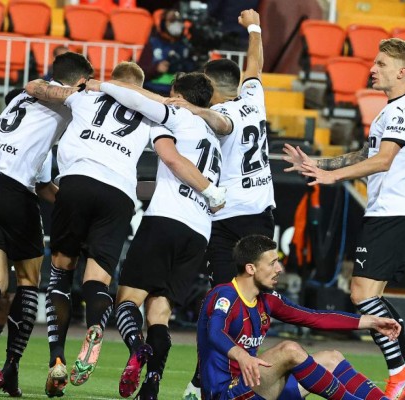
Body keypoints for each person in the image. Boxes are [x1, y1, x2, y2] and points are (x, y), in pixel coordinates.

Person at [24, 62, 225, 398]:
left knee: (69, 272)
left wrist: (85, 87)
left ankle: (58, 357)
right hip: (170, 216)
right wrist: (211, 192)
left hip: (90, 186)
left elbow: (38, 89)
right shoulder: (208, 137)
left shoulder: (115, 104)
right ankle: (143, 372)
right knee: (141, 300)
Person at [282, 38, 405, 400]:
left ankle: (401, 368)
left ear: (402, 71)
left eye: (381, 64)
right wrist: (321, 164)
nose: (372, 69)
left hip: (391, 214)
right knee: (371, 296)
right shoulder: (391, 110)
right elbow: (368, 153)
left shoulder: (403, 110)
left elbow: (383, 161)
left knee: (362, 294)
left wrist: (333, 177)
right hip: (389, 213)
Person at [84, 72, 226, 399]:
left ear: (178, 95)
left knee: (127, 300)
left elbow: (170, 156)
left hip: (165, 220)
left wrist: (101, 84)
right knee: (159, 313)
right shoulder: (213, 140)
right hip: (199, 232)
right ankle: (152, 384)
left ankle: (137, 347)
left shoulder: (178, 117)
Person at [0, 52, 92, 396]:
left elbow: (46, 186)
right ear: (80, 81)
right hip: (10, 187)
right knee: (28, 279)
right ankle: (12, 366)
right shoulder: (68, 98)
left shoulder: (27, 96)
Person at [166, 10, 275, 399]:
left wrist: (185, 107)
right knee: (251, 303)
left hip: (229, 215)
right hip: (263, 212)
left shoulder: (222, 111)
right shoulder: (254, 96)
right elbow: (256, 65)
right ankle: (233, 378)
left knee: (221, 303)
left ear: (212, 86)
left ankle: (203, 382)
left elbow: (221, 123)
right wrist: (255, 27)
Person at [198, 234, 399, 400]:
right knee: (290, 350)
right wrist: (241, 355)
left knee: (332, 358)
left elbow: (314, 317)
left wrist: (371, 321)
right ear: (251, 268)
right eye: (273, 263)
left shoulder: (267, 299)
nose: (279, 269)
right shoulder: (224, 295)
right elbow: (215, 332)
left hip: (254, 387)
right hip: (226, 394)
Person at [138, 8, 196, 96]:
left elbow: (193, 73)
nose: (176, 23)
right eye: (172, 20)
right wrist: (156, 69)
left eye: (179, 20)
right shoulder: (153, 44)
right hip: (152, 91)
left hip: (178, 95)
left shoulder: (185, 46)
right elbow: (139, 72)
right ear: (163, 23)